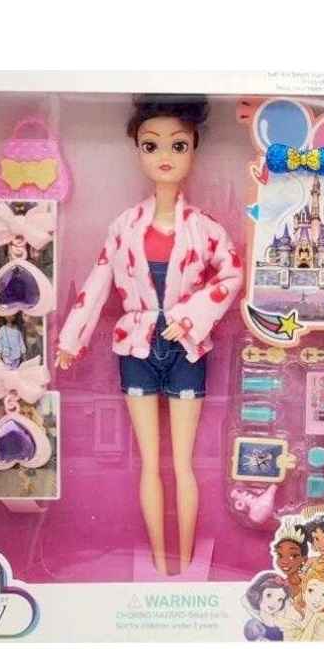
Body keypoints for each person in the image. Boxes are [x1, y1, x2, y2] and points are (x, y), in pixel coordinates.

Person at [56, 95, 243, 574]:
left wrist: (190, 315)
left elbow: (231, 276)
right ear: (138, 151)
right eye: (151, 145)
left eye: (178, 145)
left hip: (186, 348)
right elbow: (97, 283)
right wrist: (71, 340)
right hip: (136, 347)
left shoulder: (205, 229)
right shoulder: (124, 227)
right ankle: (160, 563)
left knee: (183, 464)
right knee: (148, 462)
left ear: (194, 150)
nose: (165, 156)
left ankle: (184, 562)